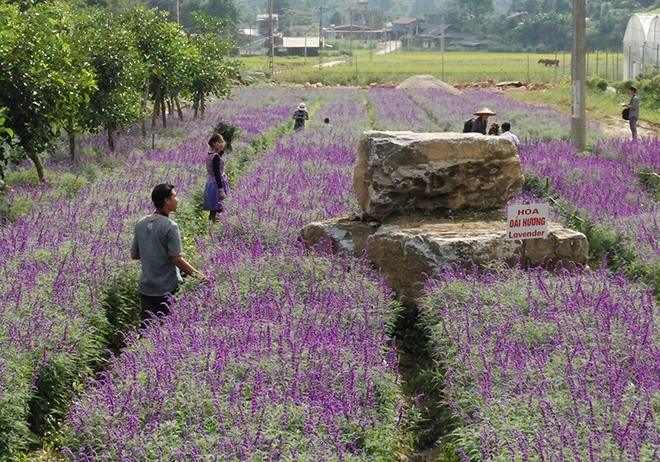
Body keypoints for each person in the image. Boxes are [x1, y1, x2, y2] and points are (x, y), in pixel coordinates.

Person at [131, 183, 205, 322]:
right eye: (175, 197)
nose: (177, 200)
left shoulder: (141, 223)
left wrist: (152, 251)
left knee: (148, 328)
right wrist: (200, 276)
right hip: (167, 287)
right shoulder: (170, 226)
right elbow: (177, 259)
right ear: (167, 200)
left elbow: (134, 255)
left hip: (146, 286)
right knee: (167, 328)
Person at [203, 133, 230, 223]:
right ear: (213, 143)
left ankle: (211, 226)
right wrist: (221, 190)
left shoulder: (211, 153)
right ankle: (215, 226)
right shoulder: (215, 157)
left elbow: (219, 155)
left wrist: (226, 144)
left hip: (211, 183)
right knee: (219, 208)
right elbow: (217, 173)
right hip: (217, 184)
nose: (221, 144)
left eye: (222, 142)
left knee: (214, 209)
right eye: (219, 142)